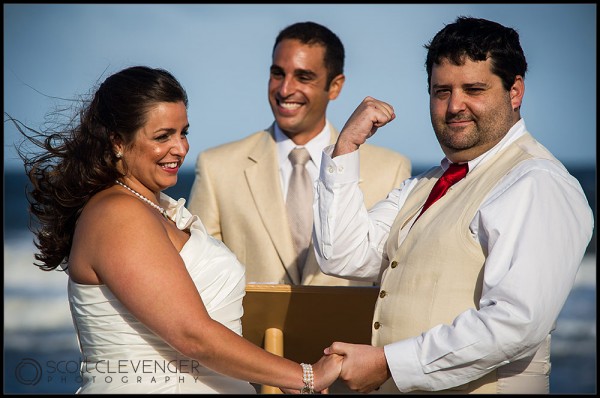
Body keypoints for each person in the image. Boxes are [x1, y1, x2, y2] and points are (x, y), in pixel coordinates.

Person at [10, 65, 342, 394]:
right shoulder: (117, 214)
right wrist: (305, 376)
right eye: (162, 136)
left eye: (183, 132)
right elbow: (192, 336)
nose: (181, 148)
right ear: (117, 141)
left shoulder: (156, 207)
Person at [313, 16, 594, 393]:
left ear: (515, 92)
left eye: (474, 89)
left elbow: (514, 324)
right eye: (441, 91)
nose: (454, 106)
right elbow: (342, 255)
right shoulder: (427, 183)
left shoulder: (537, 182)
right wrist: (345, 148)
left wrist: (387, 363)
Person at [187, 21, 411, 286]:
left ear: (336, 86)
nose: (284, 90)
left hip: (346, 328)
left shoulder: (390, 169)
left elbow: (394, 278)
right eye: (278, 74)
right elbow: (199, 274)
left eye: (303, 77)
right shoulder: (217, 167)